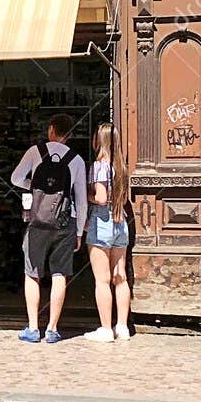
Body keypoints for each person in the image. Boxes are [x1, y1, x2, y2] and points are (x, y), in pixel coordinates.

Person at [10, 114, 87, 344]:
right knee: (59, 274)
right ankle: (52, 329)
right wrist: (80, 232)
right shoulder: (77, 160)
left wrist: (33, 186)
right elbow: (82, 200)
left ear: (51, 129)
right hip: (65, 221)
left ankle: (33, 328)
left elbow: (15, 178)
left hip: (38, 221)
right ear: (70, 134)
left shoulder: (35, 152)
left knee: (32, 273)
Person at [83, 121, 132, 342]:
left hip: (101, 223)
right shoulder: (121, 166)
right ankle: (122, 326)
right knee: (120, 277)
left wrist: (87, 196)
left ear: (98, 140)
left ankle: (105, 328)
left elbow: (101, 198)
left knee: (102, 280)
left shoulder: (99, 166)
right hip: (120, 223)